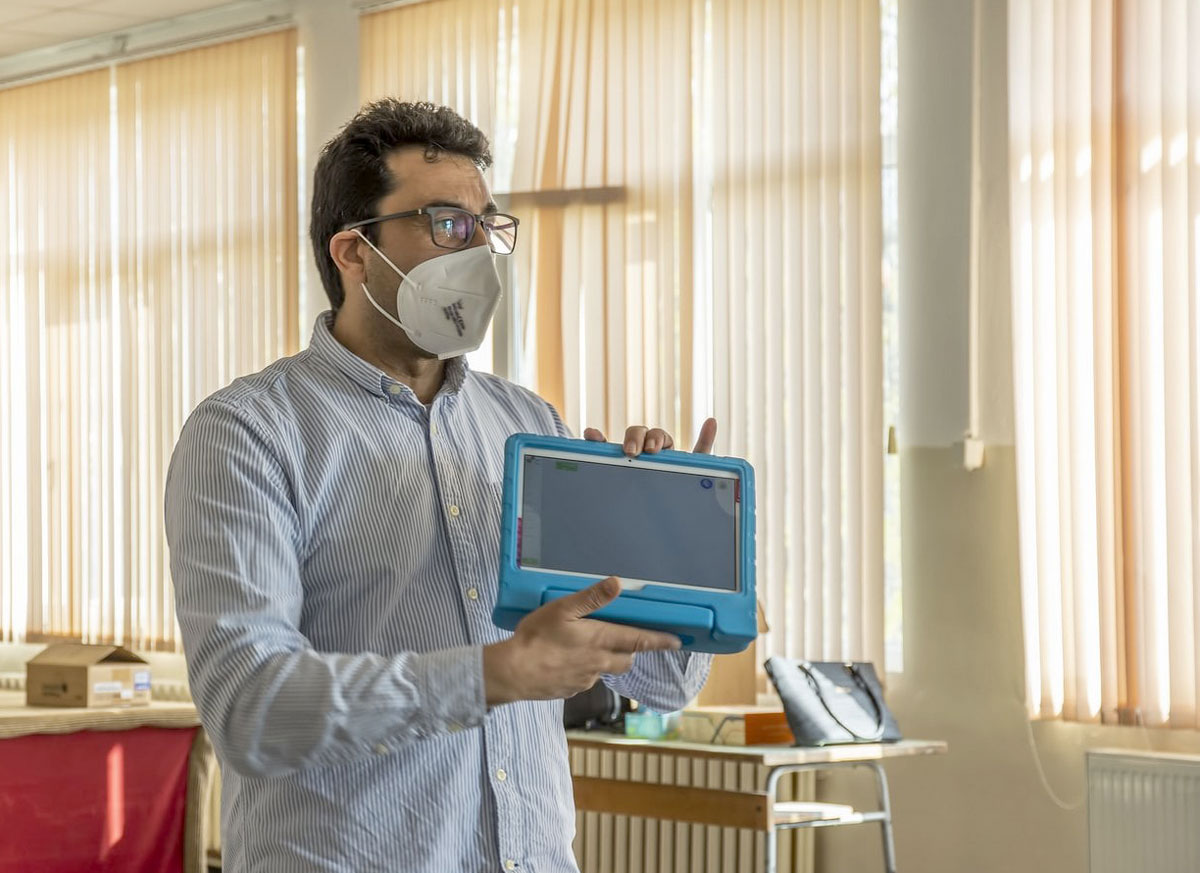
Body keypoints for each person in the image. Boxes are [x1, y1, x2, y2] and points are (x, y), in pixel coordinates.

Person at [165, 99, 716, 873]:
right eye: (449, 224)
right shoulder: (250, 431)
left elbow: (662, 681)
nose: (481, 249)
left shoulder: (529, 423)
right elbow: (249, 707)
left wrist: (666, 552)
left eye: (488, 225)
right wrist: (492, 674)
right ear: (354, 252)